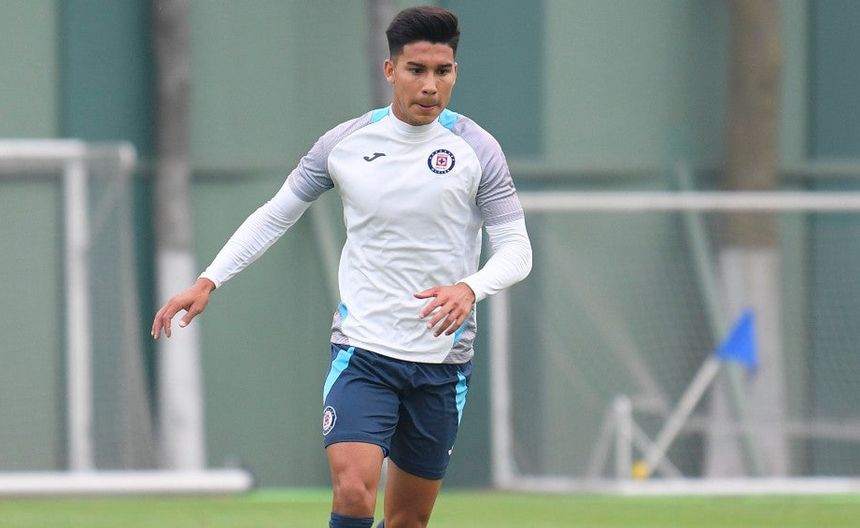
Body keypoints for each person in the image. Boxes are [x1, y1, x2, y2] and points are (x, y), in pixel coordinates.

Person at [151, 5, 532, 528]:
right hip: (364, 351)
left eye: (442, 71)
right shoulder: (344, 144)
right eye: (416, 70)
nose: (430, 85)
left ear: (455, 73)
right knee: (353, 491)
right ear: (390, 70)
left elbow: (516, 251)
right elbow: (275, 214)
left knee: (407, 520)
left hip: (442, 362)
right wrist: (208, 279)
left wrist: (470, 287)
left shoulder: (478, 149)